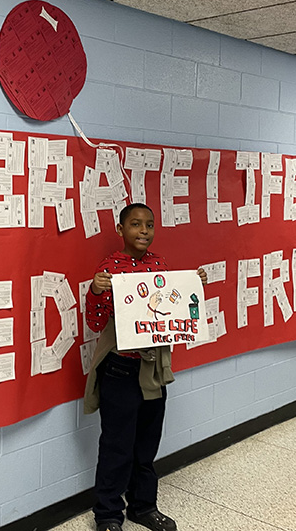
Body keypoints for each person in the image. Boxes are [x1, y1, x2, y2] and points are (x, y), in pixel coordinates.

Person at [84, 203, 207, 531]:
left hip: (153, 371)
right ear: (120, 230)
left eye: (149, 225)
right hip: (121, 370)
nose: (143, 231)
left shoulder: (160, 265)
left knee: (146, 444)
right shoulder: (109, 269)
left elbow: (173, 310)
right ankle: (108, 515)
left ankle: (143, 506)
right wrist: (96, 290)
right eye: (136, 224)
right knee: (116, 446)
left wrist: (193, 286)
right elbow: (96, 322)